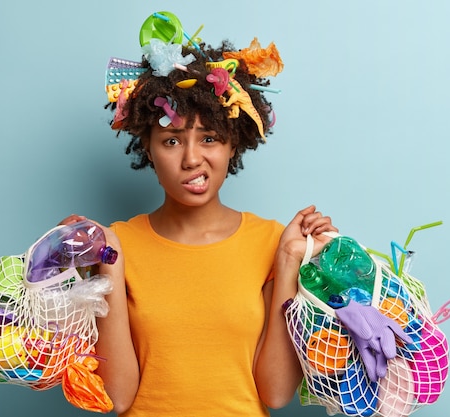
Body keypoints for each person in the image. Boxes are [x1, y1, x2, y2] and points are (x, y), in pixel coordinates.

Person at [60, 12, 338, 417]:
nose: (192, 159)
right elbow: (118, 398)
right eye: (172, 140)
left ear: (232, 145)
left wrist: (288, 261)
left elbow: (275, 394)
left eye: (209, 138)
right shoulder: (116, 245)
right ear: (149, 150)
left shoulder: (272, 243)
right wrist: (108, 262)